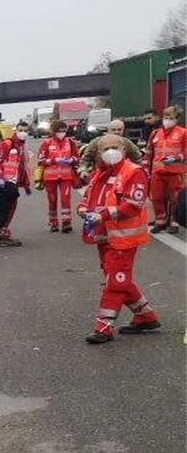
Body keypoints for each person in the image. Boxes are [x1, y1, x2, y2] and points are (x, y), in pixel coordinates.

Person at [76, 135, 160, 343]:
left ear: (124, 149)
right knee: (117, 278)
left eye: (114, 147)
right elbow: (88, 198)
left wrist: (103, 215)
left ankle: (103, 327)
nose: (110, 151)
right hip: (104, 236)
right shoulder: (99, 174)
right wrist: (83, 209)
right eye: (105, 148)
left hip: (124, 238)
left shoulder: (134, 172)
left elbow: (133, 205)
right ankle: (145, 316)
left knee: (115, 282)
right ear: (98, 153)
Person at [0, 122, 33, 246]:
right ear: (15, 130)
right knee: (7, 208)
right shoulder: (7, 144)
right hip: (6, 181)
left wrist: (26, 185)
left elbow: (23, 168)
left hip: (13, 182)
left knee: (10, 207)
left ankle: (3, 233)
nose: (23, 132)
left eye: (25, 130)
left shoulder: (22, 147)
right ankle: (3, 235)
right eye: (20, 130)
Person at [143, 104, 185, 233]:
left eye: (170, 117)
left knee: (175, 198)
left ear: (176, 119)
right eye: (165, 116)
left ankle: (173, 221)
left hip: (174, 172)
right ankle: (160, 221)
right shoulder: (155, 133)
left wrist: (177, 157)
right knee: (156, 197)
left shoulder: (183, 133)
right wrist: (145, 168)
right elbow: (149, 152)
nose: (167, 119)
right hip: (158, 172)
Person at [36, 121, 81, 232]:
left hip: (66, 175)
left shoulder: (70, 142)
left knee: (66, 199)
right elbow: (41, 160)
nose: (62, 133)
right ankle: (53, 222)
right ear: (53, 131)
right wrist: (53, 160)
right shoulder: (47, 143)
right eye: (59, 131)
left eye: (64, 130)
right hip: (50, 177)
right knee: (52, 200)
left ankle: (66, 222)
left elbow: (77, 157)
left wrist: (72, 160)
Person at [78, 119, 142, 178]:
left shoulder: (127, 143)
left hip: (120, 175)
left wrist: (135, 172)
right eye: (113, 130)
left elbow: (136, 157)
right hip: (100, 174)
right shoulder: (96, 142)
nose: (116, 132)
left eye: (119, 130)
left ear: (123, 130)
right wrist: (83, 170)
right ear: (108, 130)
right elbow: (86, 158)